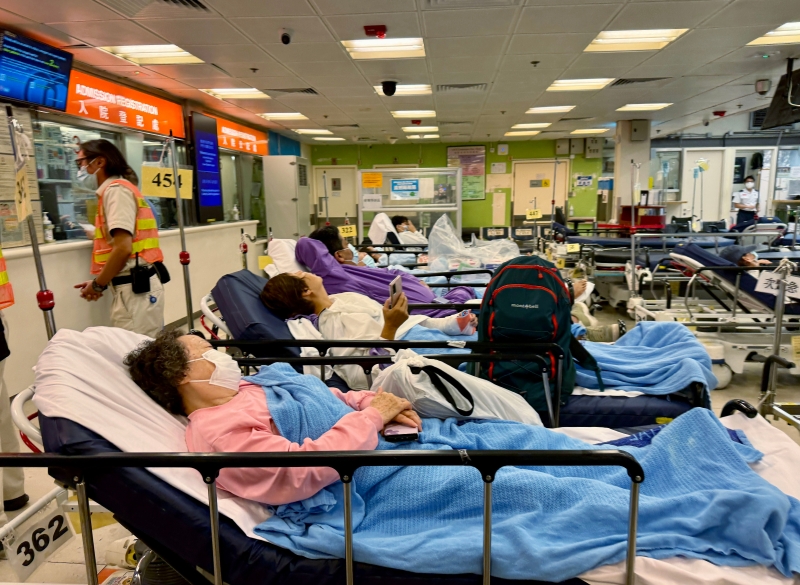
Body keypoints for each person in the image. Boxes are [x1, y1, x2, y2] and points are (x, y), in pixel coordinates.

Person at [124, 331, 421, 505]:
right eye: (208, 351)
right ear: (181, 375)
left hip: (384, 440)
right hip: (364, 480)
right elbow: (301, 470)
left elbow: (323, 396)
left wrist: (374, 403)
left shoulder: (248, 385)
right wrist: (373, 417)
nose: (223, 356)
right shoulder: (220, 434)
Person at [260, 272, 477, 389]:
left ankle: (449, 326)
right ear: (306, 290)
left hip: (410, 332)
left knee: (481, 343)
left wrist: (392, 316)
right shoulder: (332, 323)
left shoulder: (341, 299)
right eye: (299, 274)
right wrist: (390, 327)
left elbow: (379, 318)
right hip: (408, 348)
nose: (304, 271)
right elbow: (360, 377)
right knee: (478, 363)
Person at [73, 140, 166, 337]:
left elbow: (123, 249)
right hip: (132, 288)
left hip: (136, 291)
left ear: (100, 162)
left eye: (81, 163)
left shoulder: (116, 191)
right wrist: (100, 281)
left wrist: (97, 285)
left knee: (137, 350)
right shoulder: (116, 190)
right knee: (139, 347)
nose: (80, 169)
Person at [296, 233, 477, 317]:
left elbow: (392, 272)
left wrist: (416, 281)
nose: (352, 247)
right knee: (476, 293)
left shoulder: (353, 270)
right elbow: (305, 244)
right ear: (339, 255)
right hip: (429, 312)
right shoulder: (333, 274)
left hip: (436, 302)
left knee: (473, 291)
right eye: (346, 243)